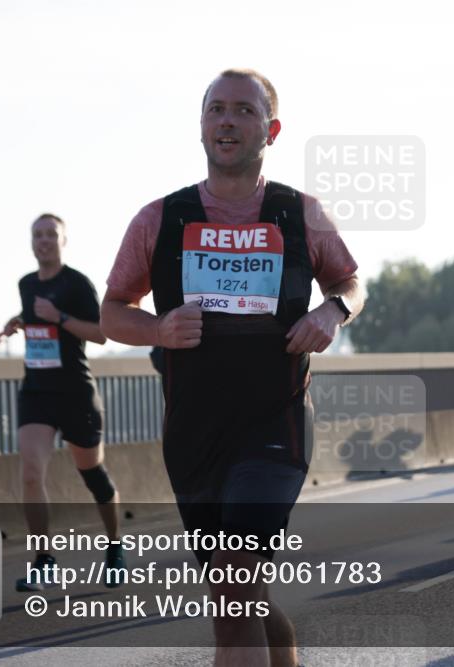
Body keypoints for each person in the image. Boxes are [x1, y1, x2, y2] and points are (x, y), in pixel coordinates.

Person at [100, 69, 362, 667]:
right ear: (200, 126)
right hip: (193, 434)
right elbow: (113, 311)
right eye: (215, 109)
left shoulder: (301, 213)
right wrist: (158, 329)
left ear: (269, 129)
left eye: (243, 110)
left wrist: (333, 310)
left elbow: (350, 279)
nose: (226, 120)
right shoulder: (159, 219)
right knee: (237, 592)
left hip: (276, 424)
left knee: (233, 585)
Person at [0, 213, 125, 591]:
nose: (44, 240)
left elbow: (101, 333)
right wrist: (22, 320)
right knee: (31, 473)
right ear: (31, 242)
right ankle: (43, 560)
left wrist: (60, 316)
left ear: (64, 240)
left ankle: (115, 546)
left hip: (75, 391)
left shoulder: (77, 283)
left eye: (51, 234)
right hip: (37, 390)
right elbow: (39, 319)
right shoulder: (26, 284)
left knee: (92, 475)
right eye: (38, 235)